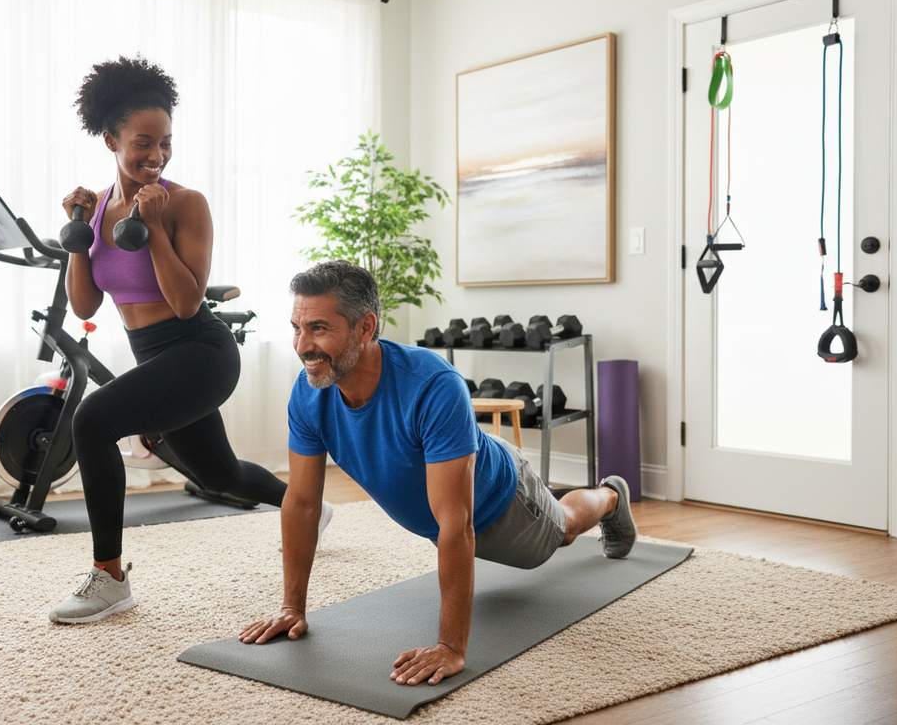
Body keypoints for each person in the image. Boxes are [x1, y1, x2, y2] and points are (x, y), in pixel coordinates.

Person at [239, 260, 637, 685]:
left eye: (318, 328)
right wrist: (291, 608)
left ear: (365, 328)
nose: (302, 346)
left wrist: (451, 647)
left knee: (564, 530)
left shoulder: (431, 384)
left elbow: (456, 522)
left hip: (505, 500)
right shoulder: (309, 392)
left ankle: (611, 496)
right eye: (297, 328)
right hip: (459, 464)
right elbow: (301, 504)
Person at [49, 56, 328, 624]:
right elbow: (84, 307)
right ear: (110, 140)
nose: (156, 157)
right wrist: (78, 236)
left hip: (201, 353)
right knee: (217, 473)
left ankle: (110, 579)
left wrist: (152, 231)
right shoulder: (98, 208)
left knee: (92, 420)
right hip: (155, 358)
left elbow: (185, 303)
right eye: (142, 143)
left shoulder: (185, 203)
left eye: (166, 143)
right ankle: (307, 508)